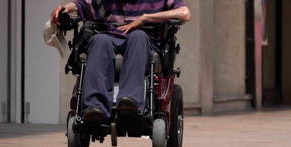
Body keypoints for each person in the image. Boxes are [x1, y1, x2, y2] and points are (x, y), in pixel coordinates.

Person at [50, 0, 191, 124]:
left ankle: (129, 100)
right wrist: (64, 9)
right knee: (99, 40)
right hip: (110, 36)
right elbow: (80, 4)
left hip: (144, 40)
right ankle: (95, 107)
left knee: (138, 36)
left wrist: (145, 18)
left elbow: (184, 13)